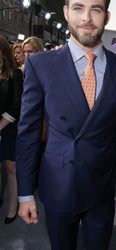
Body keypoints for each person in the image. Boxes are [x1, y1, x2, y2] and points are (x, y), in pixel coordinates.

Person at [16, 0, 116, 250]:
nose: (87, 18)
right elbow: (28, 133)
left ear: (107, 16)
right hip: (58, 184)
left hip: (101, 187)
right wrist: (25, 192)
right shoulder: (41, 65)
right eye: (79, 8)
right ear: (67, 12)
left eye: (96, 9)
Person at [0, 35, 23, 224]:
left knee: (11, 169)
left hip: (8, 128)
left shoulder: (15, 74)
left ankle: (13, 206)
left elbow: (16, 105)